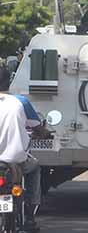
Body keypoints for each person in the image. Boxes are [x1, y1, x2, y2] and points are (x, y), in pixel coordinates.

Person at [0, 73, 42, 232]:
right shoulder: (21, 101)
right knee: (35, 167)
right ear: (8, 83)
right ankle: (30, 216)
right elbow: (37, 127)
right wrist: (44, 133)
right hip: (15, 159)